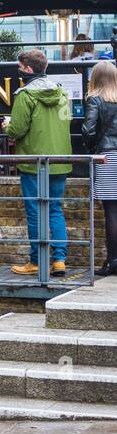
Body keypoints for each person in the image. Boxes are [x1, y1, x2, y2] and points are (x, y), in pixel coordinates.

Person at [4, 49, 72, 276]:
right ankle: (60, 260)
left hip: (33, 161)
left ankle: (37, 261)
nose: (19, 71)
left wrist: (7, 127)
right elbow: (66, 122)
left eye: (21, 68)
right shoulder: (62, 93)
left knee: (35, 211)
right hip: (60, 160)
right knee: (55, 209)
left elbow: (18, 129)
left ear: (29, 69)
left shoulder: (25, 95)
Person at [82, 60, 117, 275]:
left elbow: (88, 129)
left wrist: (92, 148)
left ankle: (113, 260)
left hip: (108, 157)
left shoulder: (95, 99)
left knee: (112, 211)